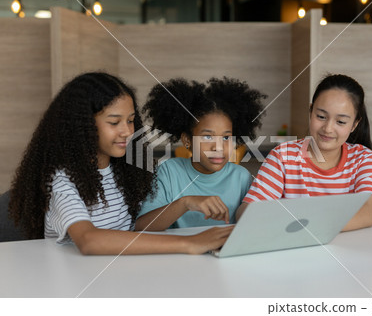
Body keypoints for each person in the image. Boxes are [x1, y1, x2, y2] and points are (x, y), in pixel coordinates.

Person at [8, 72, 232, 255]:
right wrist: (189, 243)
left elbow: (138, 227)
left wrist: (184, 203)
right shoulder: (61, 180)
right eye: (114, 122)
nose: (127, 131)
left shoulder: (126, 170)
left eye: (131, 120)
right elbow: (89, 240)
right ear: (82, 125)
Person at [238, 74, 372, 231]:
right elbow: (247, 212)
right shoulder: (282, 156)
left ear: (354, 124)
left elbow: (368, 212)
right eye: (321, 116)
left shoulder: (363, 158)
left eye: (340, 121)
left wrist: (308, 226)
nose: (327, 128)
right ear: (310, 111)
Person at [135, 77, 266, 231]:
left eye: (226, 137)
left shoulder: (241, 177)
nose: (218, 147)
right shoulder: (168, 172)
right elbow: (142, 227)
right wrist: (185, 203)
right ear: (187, 140)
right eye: (207, 136)